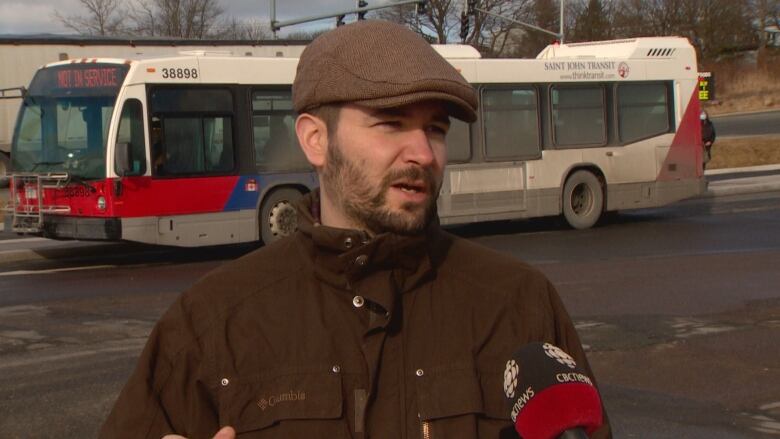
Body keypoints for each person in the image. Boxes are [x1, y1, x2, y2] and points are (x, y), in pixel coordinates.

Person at [100, 20, 611, 439]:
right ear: (316, 140)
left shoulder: (519, 304)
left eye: (435, 128)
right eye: (391, 122)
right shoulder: (211, 324)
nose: (423, 153)